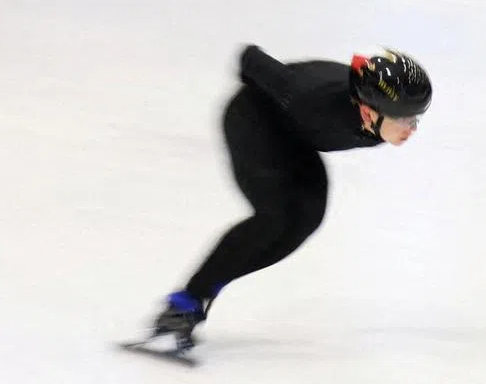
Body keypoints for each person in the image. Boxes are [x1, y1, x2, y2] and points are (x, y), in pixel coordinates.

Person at [146, 45, 432, 355]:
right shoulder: (312, 97)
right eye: (405, 119)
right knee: (275, 216)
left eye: (416, 118)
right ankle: (184, 304)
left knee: (306, 218)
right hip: (253, 121)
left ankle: (206, 289)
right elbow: (250, 57)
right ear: (367, 110)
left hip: (295, 136)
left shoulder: (372, 118)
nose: (412, 129)